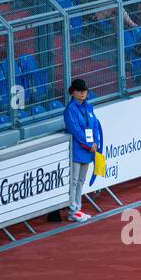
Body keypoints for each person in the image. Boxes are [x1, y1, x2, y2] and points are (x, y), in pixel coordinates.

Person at [62, 79, 102, 223]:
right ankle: (72, 210)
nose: (83, 93)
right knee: (73, 180)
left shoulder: (88, 107)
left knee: (81, 180)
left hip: (88, 149)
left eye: (84, 91)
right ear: (73, 92)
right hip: (77, 149)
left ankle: (77, 207)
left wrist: (95, 142)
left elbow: (95, 126)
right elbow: (75, 129)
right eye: (79, 91)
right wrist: (88, 144)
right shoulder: (70, 109)